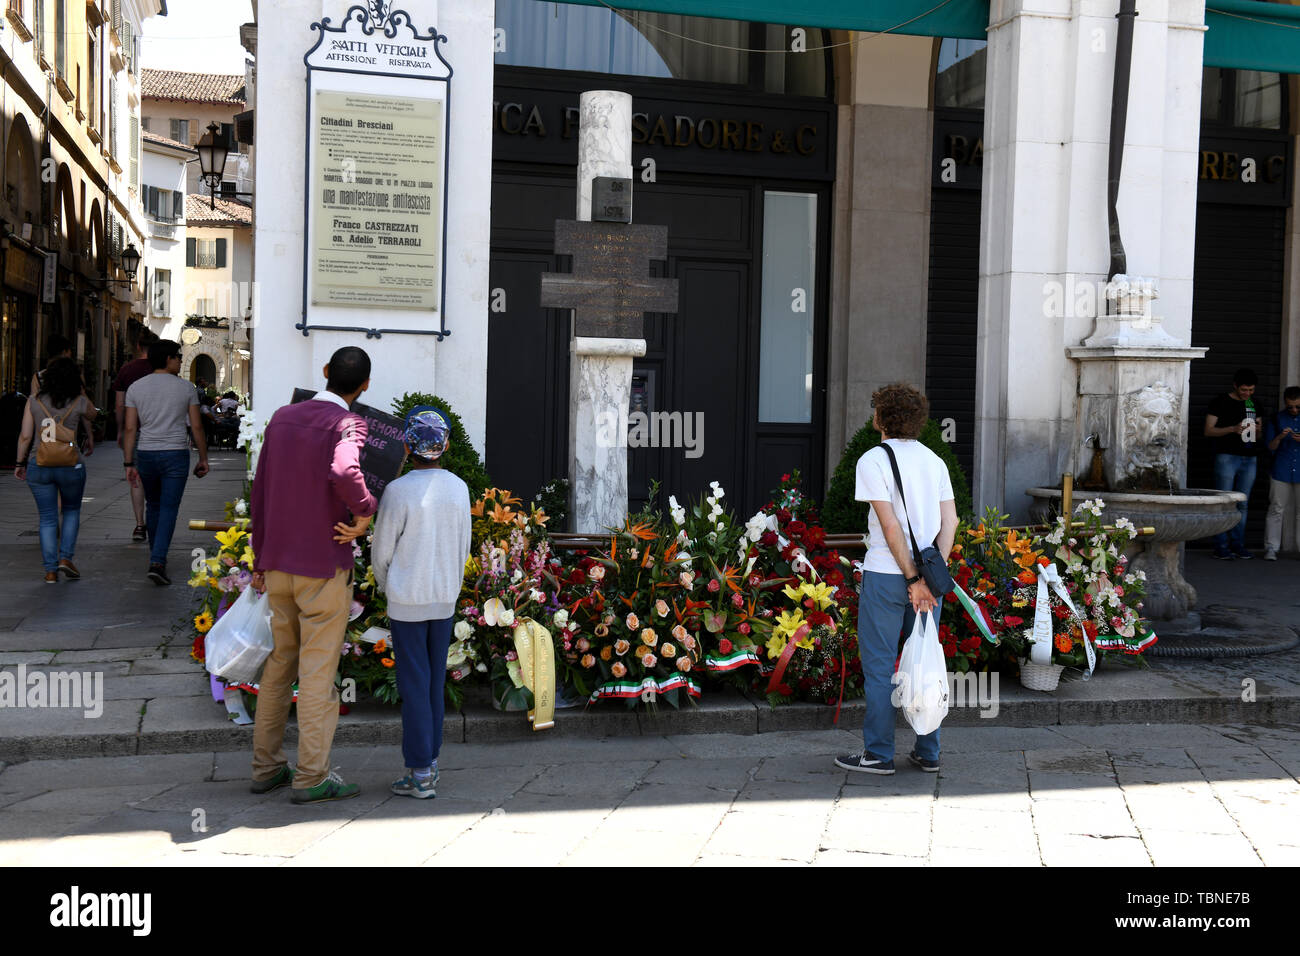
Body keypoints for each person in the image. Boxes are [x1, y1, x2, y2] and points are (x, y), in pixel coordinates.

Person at [248, 346, 378, 804]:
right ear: (364, 386)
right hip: (323, 567)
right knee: (318, 674)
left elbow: (259, 489)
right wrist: (365, 510)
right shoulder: (348, 423)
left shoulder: (283, 418)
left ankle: (266, 767)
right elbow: (345, 469)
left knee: (279, 666)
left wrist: (258, 557)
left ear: (324, 373)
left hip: (278, 563)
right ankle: (311, 776)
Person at [837, 383, 958, 776]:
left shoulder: (873, 460)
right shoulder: (936, 461)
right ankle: (928, 751)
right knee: (924, 661)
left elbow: (890, 526)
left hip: (888, 577)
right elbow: (951, 521)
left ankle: (878, 754)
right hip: (928, 581)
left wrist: (910, 577)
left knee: (878, 668)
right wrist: (929, 577)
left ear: (881, 418)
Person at [370, 407, 471, 799]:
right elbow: (464, 546)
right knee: (433, 681)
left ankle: (421, 771)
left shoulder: (397, 491)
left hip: (407, 599)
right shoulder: (459, 488)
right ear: (444, 444)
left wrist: (386, 584)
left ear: (408, 445)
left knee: (414, 684)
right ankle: (430, 760)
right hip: (444, 597)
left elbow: (382, 552)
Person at [122, 339, 209, 585]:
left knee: (154, 505)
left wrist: (129, 462)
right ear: (168, 359)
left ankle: (156, 557)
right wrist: (203, 457)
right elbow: (196, 426)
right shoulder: (186, 388)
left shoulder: (136, 388)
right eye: (178, 357)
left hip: (146, 452)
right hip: (175, 453)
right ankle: (158, 561)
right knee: (169, 508)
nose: (181, 361)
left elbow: (130, 428)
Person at [14, 358, 96, 583]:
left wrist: (20, 463)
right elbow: (93, 415)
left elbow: (25, 436)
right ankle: (65, 558)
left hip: (39, 464)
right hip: (71, 465)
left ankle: (50, 570)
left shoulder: (34, 401)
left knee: (47, 518)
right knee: (71, 511)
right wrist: (82, 390)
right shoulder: (79, 401)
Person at [1204, 368, 1260, 559]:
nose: (1247, 394)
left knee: (1242, 504)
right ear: (1235, 386)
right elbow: (1209, 430)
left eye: (1251, 390)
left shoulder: (1253, 404)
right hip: (1227, 456)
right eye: (1244, 389)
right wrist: (1232, 429)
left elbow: (1257, 435)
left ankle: (1238, 545)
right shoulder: (1220, 402)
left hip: (1249, 457)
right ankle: (1221, 546)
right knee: (1224, 502)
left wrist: (1257, 429)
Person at [114, 328, 158, 541]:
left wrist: (120, 430)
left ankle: (140, 524)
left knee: (135, 477)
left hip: (136, 430)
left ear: (139, 346)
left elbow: (120, 405)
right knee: (157, 478)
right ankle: (155, 521)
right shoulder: (161, 370)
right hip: (158, 429)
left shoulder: (127, 370)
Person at [1263, 385, 1300, 560]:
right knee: (1276, 508)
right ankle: (1271, 547)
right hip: (1281, 468)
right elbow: (1270, 446)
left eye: (1297, 406)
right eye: (1290, 406)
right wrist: (1279, 437)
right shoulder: (1277, 419)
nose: (1293, 410)